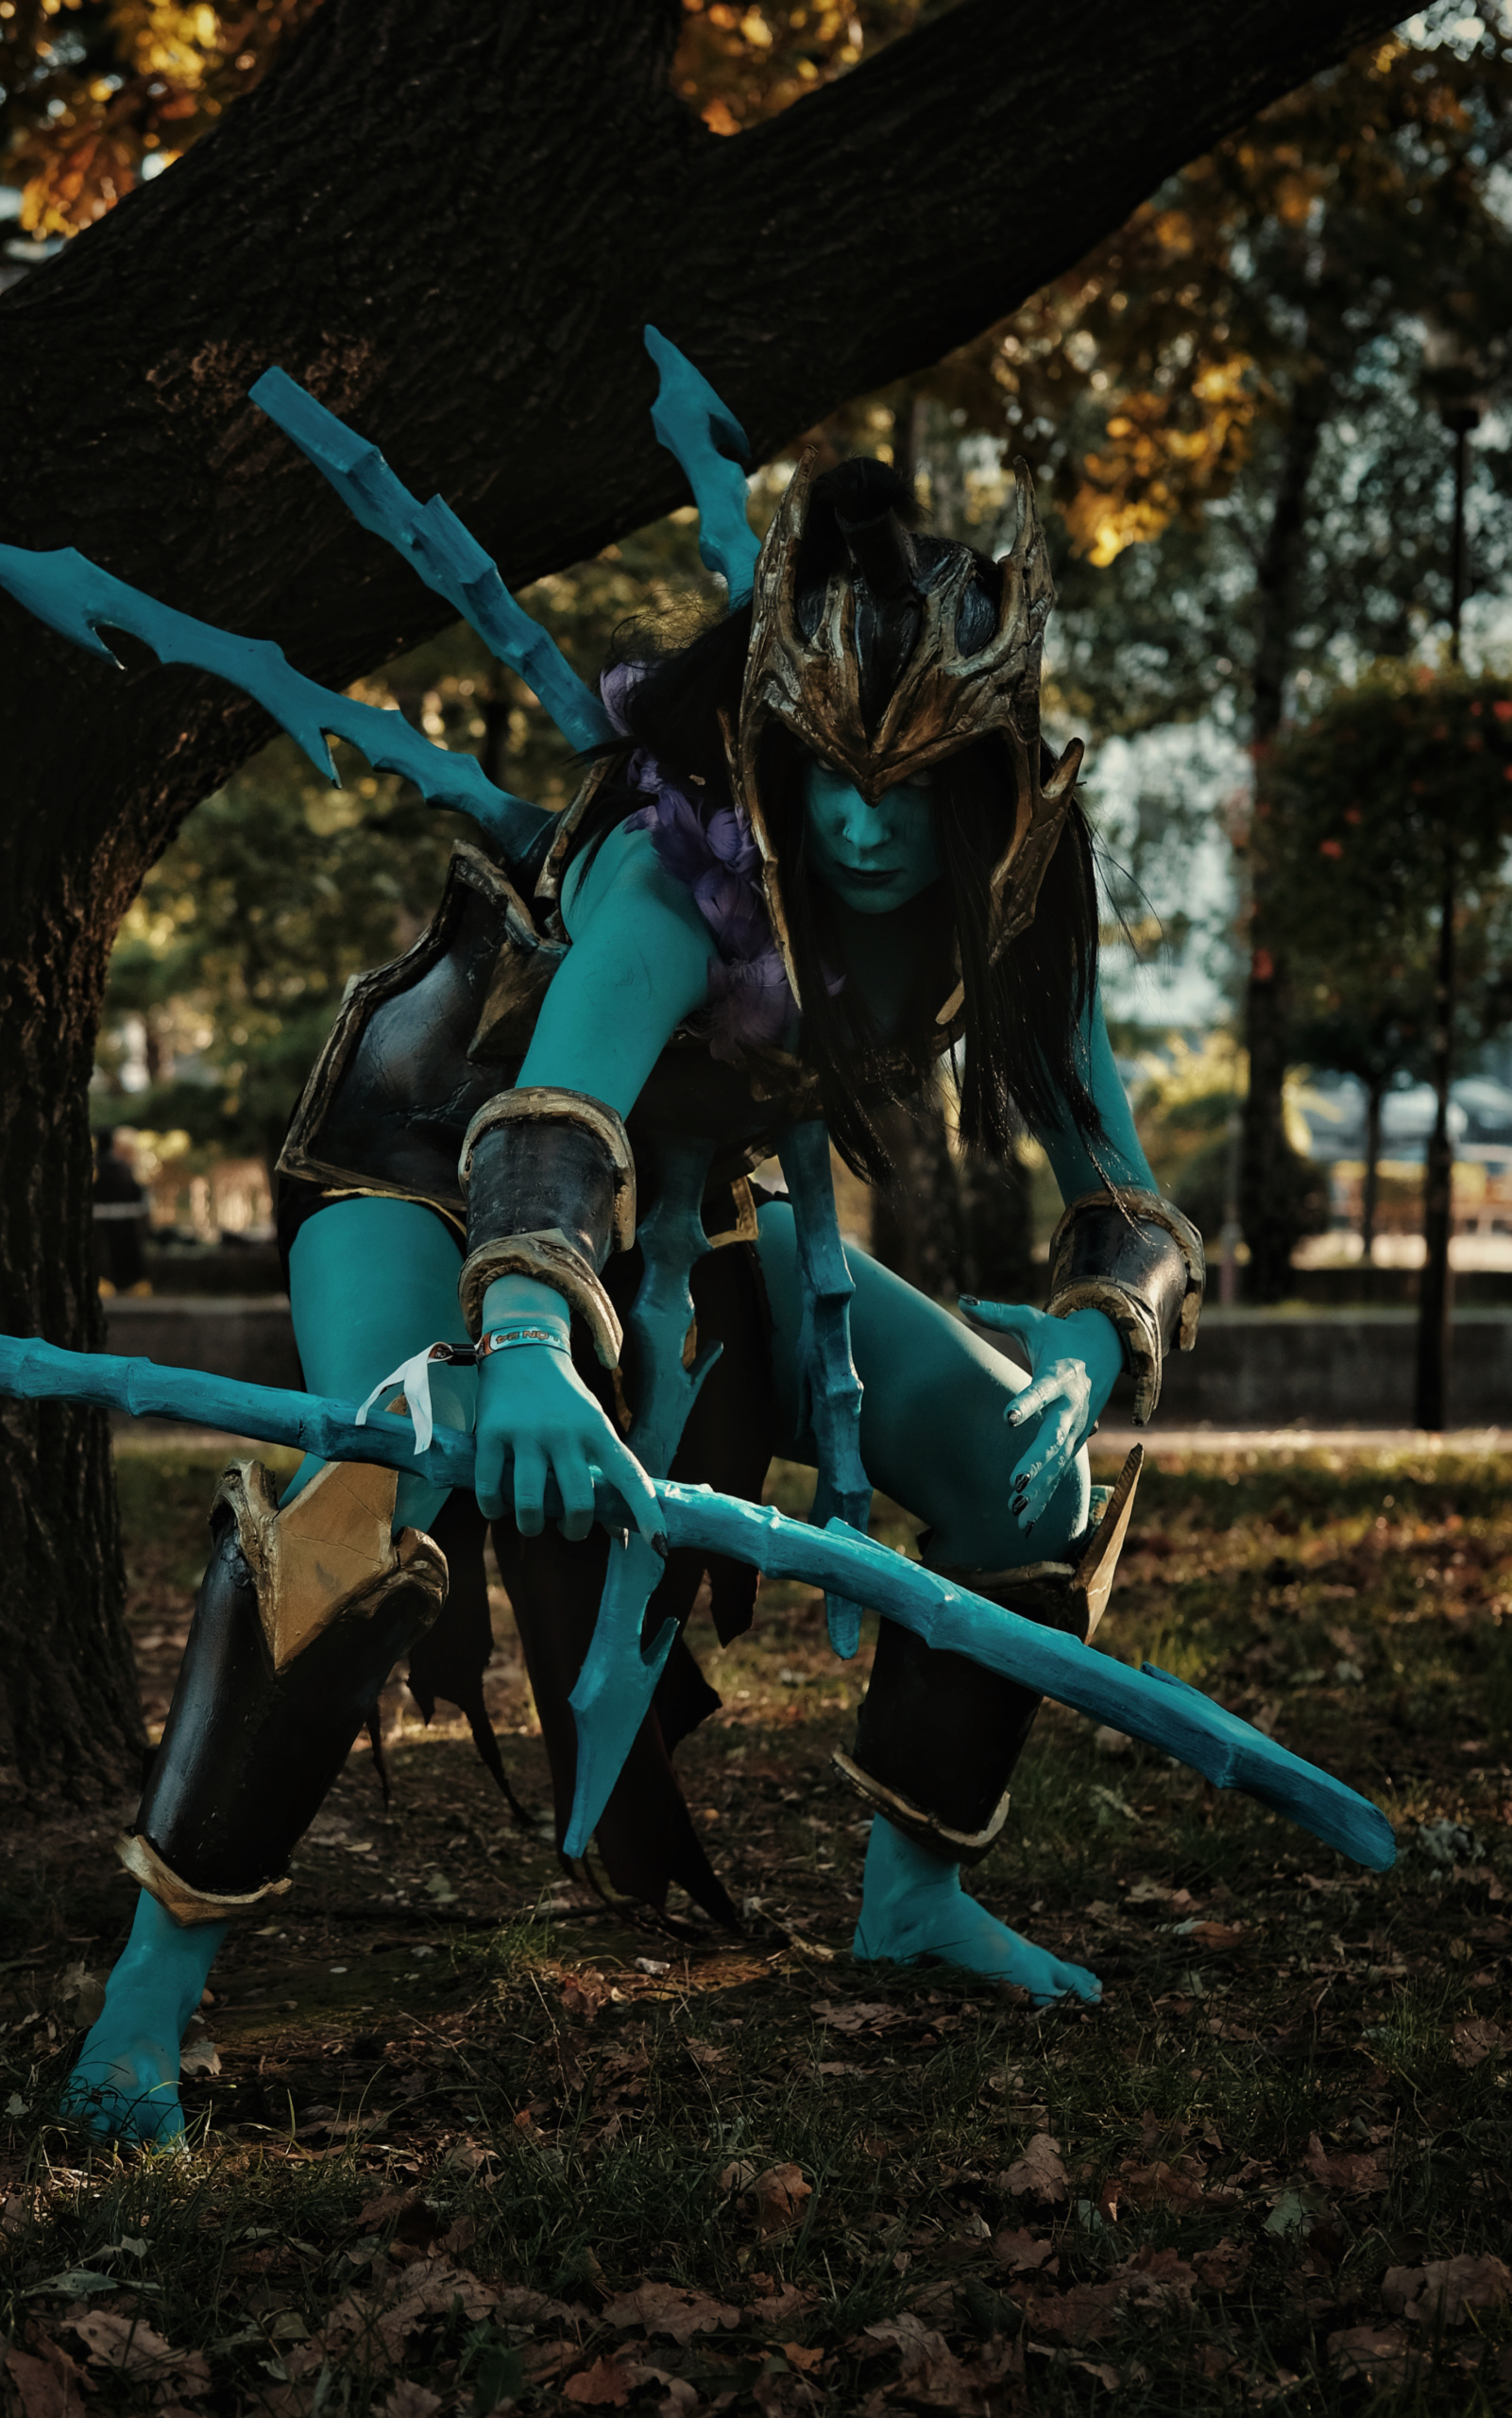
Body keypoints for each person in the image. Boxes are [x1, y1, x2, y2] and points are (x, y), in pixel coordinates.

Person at [62, 443, 1201, 2144]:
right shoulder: (687, 869)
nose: (864, 825)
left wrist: (1098, 1346)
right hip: (429, 1174)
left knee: (1018, 1472)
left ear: (985, 773)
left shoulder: (1018, 895)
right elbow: (555, 1110)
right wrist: (520, 1345)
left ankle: (914, 1901)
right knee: (367, 1497)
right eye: (832, 777)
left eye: (913, 784)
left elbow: (1121, 1192)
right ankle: (143, 2007)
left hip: (686, 1221)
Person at [93, 1127, 152, 1297]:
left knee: (105, 1252)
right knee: (125, 1251)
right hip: (126, 1220)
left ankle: (112, 1282)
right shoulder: (124, 1169)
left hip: (102, 1220)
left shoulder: (97, 1168)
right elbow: (137, 1192)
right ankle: (130, 1282)